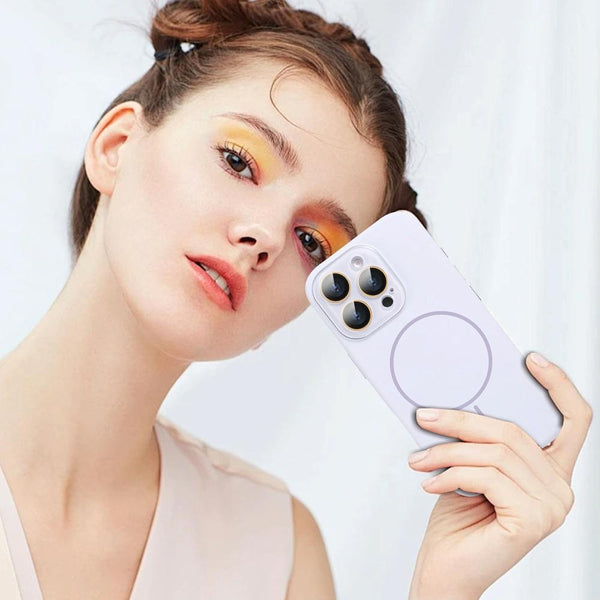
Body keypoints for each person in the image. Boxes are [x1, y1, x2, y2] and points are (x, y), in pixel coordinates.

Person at [0, 1, 592, 599]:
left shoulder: (276, 551)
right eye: (238, 162)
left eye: (312, 243)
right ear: (117, 145)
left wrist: (444, 588)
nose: (266, 237)